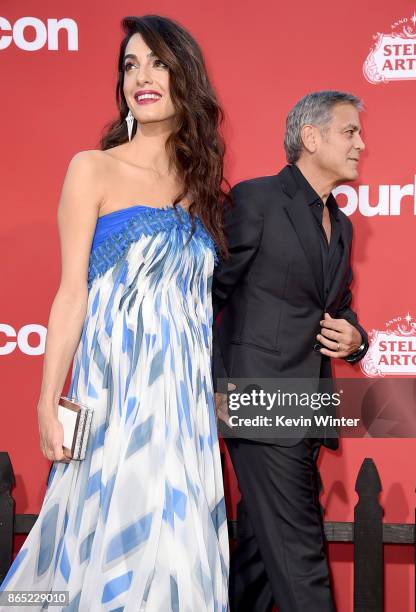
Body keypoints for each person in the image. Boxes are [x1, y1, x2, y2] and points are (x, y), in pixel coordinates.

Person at [0, 15, 229, 611]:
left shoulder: (201, 187)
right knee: (107, 552)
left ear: (186, 77)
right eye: (131, 64)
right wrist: (48, 402)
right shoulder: (92, 168)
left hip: (182, 414)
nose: (142, 77)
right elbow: (70, 293)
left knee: (180, 559)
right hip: (114, 402)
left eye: (157, 62)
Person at [213, 90, 369, 611]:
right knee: (302, 559)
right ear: (311, 137)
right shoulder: (256, 200)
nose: (360, 145)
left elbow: (337, 306)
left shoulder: (341, 224)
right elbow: (205, 292)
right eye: (349, 132)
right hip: (256, 403)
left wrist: (355, 338)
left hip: (305, 412)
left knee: (260, 559)